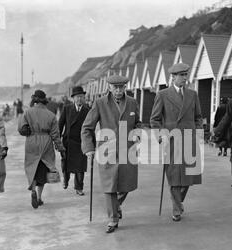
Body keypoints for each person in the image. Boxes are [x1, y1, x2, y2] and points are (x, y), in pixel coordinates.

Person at [81, 75, 141, 233]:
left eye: (122, 87)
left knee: (126, 185)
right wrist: (89, 148)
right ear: (109, 88)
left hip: (128, 150)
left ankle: (116, 206)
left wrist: (137, 135)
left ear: (125, 87)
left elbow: (137, 123)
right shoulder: (100, 103)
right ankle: (113, 219)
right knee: (109, 186)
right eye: (116, 87)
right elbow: (87, 128)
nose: (119, 90)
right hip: (106, 150)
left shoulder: (133, 103)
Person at [150, 63, 203, 222]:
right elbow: (154, 119)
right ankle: (176, 209)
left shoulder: (193, 95)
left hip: (189, 140)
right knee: (173, 176)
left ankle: (178, 202)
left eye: (186, 75)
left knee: (188, 177)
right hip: (171, 141)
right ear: (173, 77)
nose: (185, 78)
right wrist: (161, 136)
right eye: (181, 75)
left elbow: (198, 117)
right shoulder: (163, 94)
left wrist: (197, 132)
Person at [18, 90, 65, 209]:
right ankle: (39, 197)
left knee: (32, 167)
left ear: (34, 100)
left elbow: (21, 129)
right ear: (44, 101)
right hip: (46, 143)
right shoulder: (51, 115)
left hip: (32, 142)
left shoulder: (27, 112)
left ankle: (32, 189)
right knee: (42, 170)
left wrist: (28, 131)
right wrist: (60, 148)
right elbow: (55, 135)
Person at [59, 86, 91, 195]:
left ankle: (79, 187)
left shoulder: (87, 111)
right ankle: (65, 179)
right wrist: (57, 141)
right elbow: (60, 125)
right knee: (66, 163)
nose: (80, 99)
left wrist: (92, 144)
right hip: (68, 142)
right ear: (73, 98)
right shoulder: (67, 109)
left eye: (82, 97)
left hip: (81, 142)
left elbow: (91, 128)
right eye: (77, 97)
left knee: (80, 166)